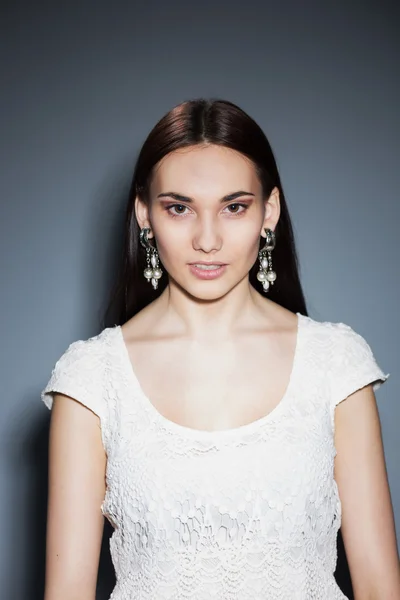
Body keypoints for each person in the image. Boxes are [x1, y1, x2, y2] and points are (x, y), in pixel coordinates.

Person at [40, 98, 400, 600]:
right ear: (145, 213)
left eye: (234, 207)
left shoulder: (337, 365)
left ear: (268, 210)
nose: (207, 240)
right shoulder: (91, 379)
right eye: (179, 207)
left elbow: (381, 588)